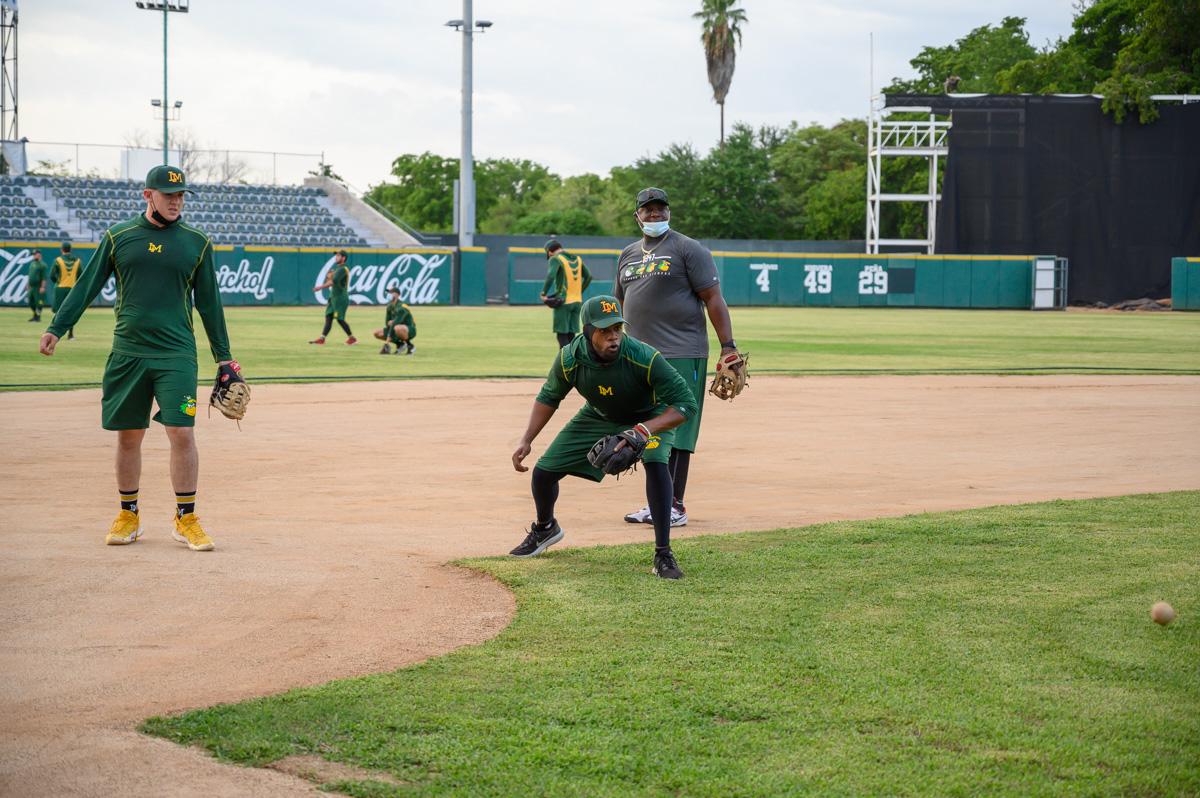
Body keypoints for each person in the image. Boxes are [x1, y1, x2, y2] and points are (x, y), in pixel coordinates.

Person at [39, 165, 237, 552]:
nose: (176, 201)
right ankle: (128, 514)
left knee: (181, 431)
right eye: (168, 195)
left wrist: (224, 358)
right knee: (129, 436)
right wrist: (57, 327)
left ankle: (186, 518)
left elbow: (210, 303)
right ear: (148, 195)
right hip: (128, 352)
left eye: (180, 195)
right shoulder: (119, 237)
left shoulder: (197, 242)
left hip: (176, 354)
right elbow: (87, 285)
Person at [509, 295, 698, 579]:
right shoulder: (570, 358)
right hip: (598, 415)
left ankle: (663, 554)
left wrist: (644, 430)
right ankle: (546, 528)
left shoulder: (643, 357)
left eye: (617, 329)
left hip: (649, 416)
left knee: (657, 464)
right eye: (604, 331)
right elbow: (550, 396)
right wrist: (527, 439)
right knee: (544, 472)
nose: (613, 337)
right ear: (587, 331)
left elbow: (686, 404)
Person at [615, 187, 741, 529]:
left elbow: (714, 298)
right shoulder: (627, 255)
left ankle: (675, 504)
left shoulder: (688, 249)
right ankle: (658, 501)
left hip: (682, 353)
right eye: (648, 210)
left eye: (660, 209)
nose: (654, 215)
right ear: (637, 216)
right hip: (640, 357)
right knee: (650, 426)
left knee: (679, 426)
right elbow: (619, 306)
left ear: (669, 212)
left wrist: (727, 346)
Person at [540, 239, 592, 348]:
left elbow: (551, 275)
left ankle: (565, 362)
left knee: (562, 335)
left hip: (563, 302)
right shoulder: (577, 258)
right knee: (571, 335)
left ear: (549, 251)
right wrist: (579, 291)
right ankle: (574, 362)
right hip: (577, 302)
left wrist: (544, 292)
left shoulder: (555, 259)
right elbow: (588, 277)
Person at [309, 249, 356, 345]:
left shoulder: (343, 268)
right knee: (328, 316)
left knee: (339, 319)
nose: (336, 257)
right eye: (336, 255)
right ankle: (322, 338)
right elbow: (331, 280)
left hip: (340, 298)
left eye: (339, 256)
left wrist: (320, 287)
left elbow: (332, 282)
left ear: (343, 258)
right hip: (333, 297)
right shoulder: (337, 269)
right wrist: (330, 276)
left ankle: (352, 338)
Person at [50, 242, 83, 340]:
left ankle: (54, 333)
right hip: (72, 289)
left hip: (60, 289)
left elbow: (52, 275)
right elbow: (81, 276)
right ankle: (71, 335)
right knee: (70, 312)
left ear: (62, 249)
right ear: (70, 249)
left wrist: (58, 282)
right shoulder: (77, 261)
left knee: (58, 312)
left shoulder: (57, 260)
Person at [375, 285, 416, 355]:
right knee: (377, 333)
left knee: (397, 328)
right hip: (395, 329)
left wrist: (387, 343)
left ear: (397, 295)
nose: (389, 294)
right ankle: (400, 344)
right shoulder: (389, 306)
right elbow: (387, 323)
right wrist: (389, 323)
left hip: (409, 330)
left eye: (391, 293)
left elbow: (396, 323)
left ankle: (410, 346)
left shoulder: (402, 307)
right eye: (388, 293)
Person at [26, 250, 48, 322]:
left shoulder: (42, 265)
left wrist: (42, 287)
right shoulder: (32, 264)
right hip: (32, 287)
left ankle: (38, 317)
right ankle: (35, 315)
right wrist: (28, 284)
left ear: (39, 255)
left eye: (35, 254)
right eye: (33, 254)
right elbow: (30, 275)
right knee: (30, 302)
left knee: (39, 303)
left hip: (38, 287)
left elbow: (44, 277)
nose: (34, 255)